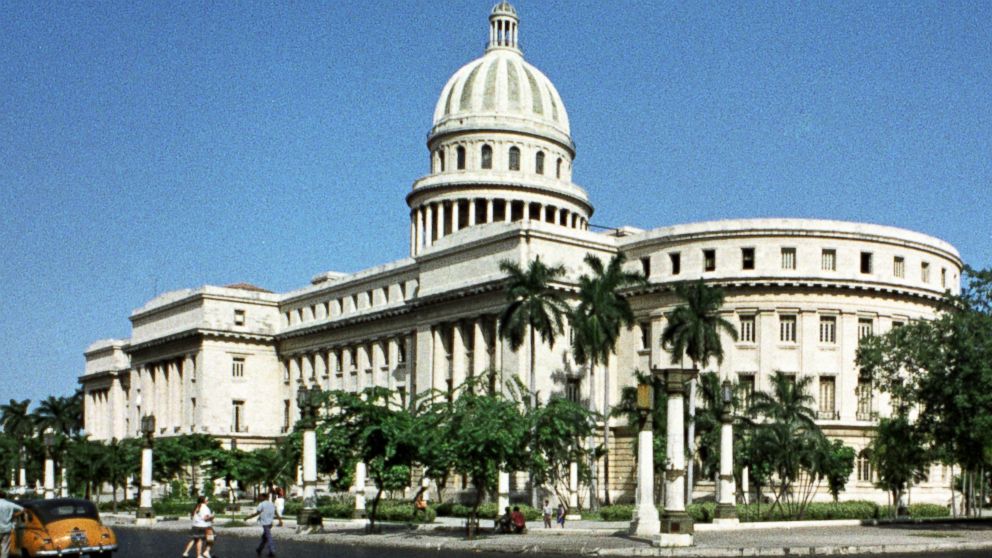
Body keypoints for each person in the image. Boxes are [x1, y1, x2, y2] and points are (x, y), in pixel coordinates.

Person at [246, 493, 283, 557]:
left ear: (263, 497)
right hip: (270, 523)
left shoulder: (261, 504)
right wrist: (280, 520)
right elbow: (276, 512)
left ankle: (272, 551)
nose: (259, 498)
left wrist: (248, 517)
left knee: (268, 537)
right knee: (265, 537)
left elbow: (257, 513)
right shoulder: (271, 504)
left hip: (265, 523)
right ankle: (259, 549)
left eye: (260, 496)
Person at [0, 491, 24, 558]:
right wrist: (15, 515)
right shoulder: (9, 504)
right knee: (5, 547)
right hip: (6, 528)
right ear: (5, 496)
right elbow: (23, 509)